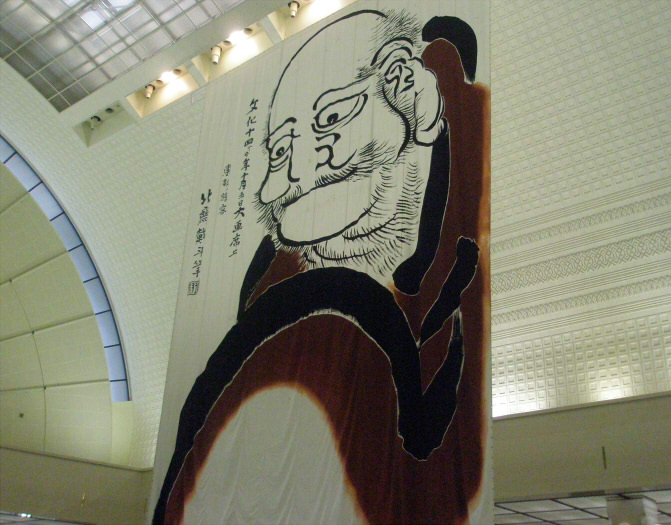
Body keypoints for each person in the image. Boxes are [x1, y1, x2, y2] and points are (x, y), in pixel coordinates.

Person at [154, 9, 481, 524]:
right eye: (282, 150)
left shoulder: (452, 271)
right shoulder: (270, 295)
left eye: (331, 118)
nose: (291, 176)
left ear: (401, 84)